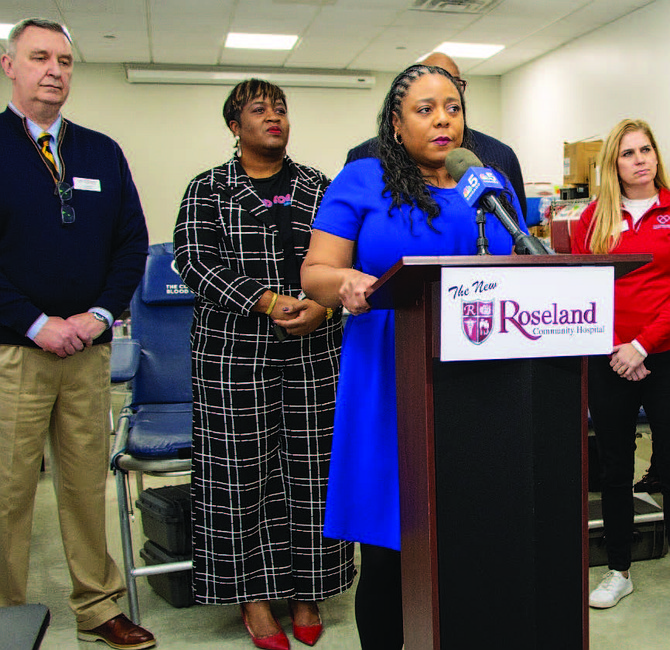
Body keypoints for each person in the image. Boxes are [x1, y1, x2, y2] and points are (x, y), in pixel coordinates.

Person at [301, 63, 524, 650]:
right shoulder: (361, 179)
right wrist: (346, 283)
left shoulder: (489, 182)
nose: (443, 118)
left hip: (484, 386)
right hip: (388, 382)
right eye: (424, 109)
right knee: (390, 549)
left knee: (472, 542)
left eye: (451, 106)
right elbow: (315, 271)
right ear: (396, 125)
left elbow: (524, 269)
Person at [173, 79, 355, 650]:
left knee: (311, 472)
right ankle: (252, 599)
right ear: (235, 126)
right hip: (233, 355)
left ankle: (308, 590)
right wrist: (267, 300)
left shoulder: (319, 187)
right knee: (239, 476)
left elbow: (344, 260)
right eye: (258, 110)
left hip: (313, 352)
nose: (273, 117)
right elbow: (194, 261)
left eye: (280, 108)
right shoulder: (208, 190)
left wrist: (323, 308)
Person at [0, 17, 154, 650]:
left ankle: (98, 606)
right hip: (14, 354)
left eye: (64, 60)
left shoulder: (99, 151)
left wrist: (96, 317)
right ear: (9, 65)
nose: (54, 70)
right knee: (8, 494)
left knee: (85, 488)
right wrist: (36, 323)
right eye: (39, 57)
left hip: (88, 353)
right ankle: (7, 616)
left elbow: (131, 243)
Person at [571, 118, 670, 609]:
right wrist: (619, 347)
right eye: (629, 153)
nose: (641, 160)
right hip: (610, 356)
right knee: (613, 467)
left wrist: (643, 345)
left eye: (646, 150)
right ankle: (618, 569)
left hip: (663, 354)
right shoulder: (593, 218)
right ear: (614, 164)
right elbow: (584, 290)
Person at [345, 51, 528, 221]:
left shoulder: (500, 157)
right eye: (425, 109)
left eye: (453, 83)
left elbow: (518, 236)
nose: (441, 119)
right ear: (397, 120)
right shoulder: (364, 159)